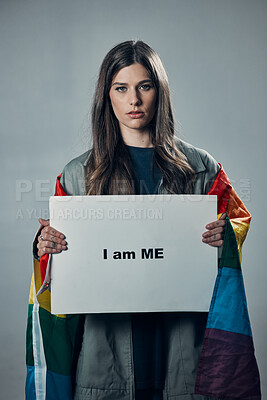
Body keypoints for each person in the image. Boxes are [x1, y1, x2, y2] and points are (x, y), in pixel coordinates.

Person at [26, 40, 260, 400]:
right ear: (108, 97)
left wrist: (224, 234)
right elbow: (54, 271)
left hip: (183, 349)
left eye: (144, 86)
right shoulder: (77, 175)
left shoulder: (202, 167)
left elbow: (238, 222)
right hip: (105, 356)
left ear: (159, 92)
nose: (134, 100)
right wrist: (45, 247)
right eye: (121, 88)